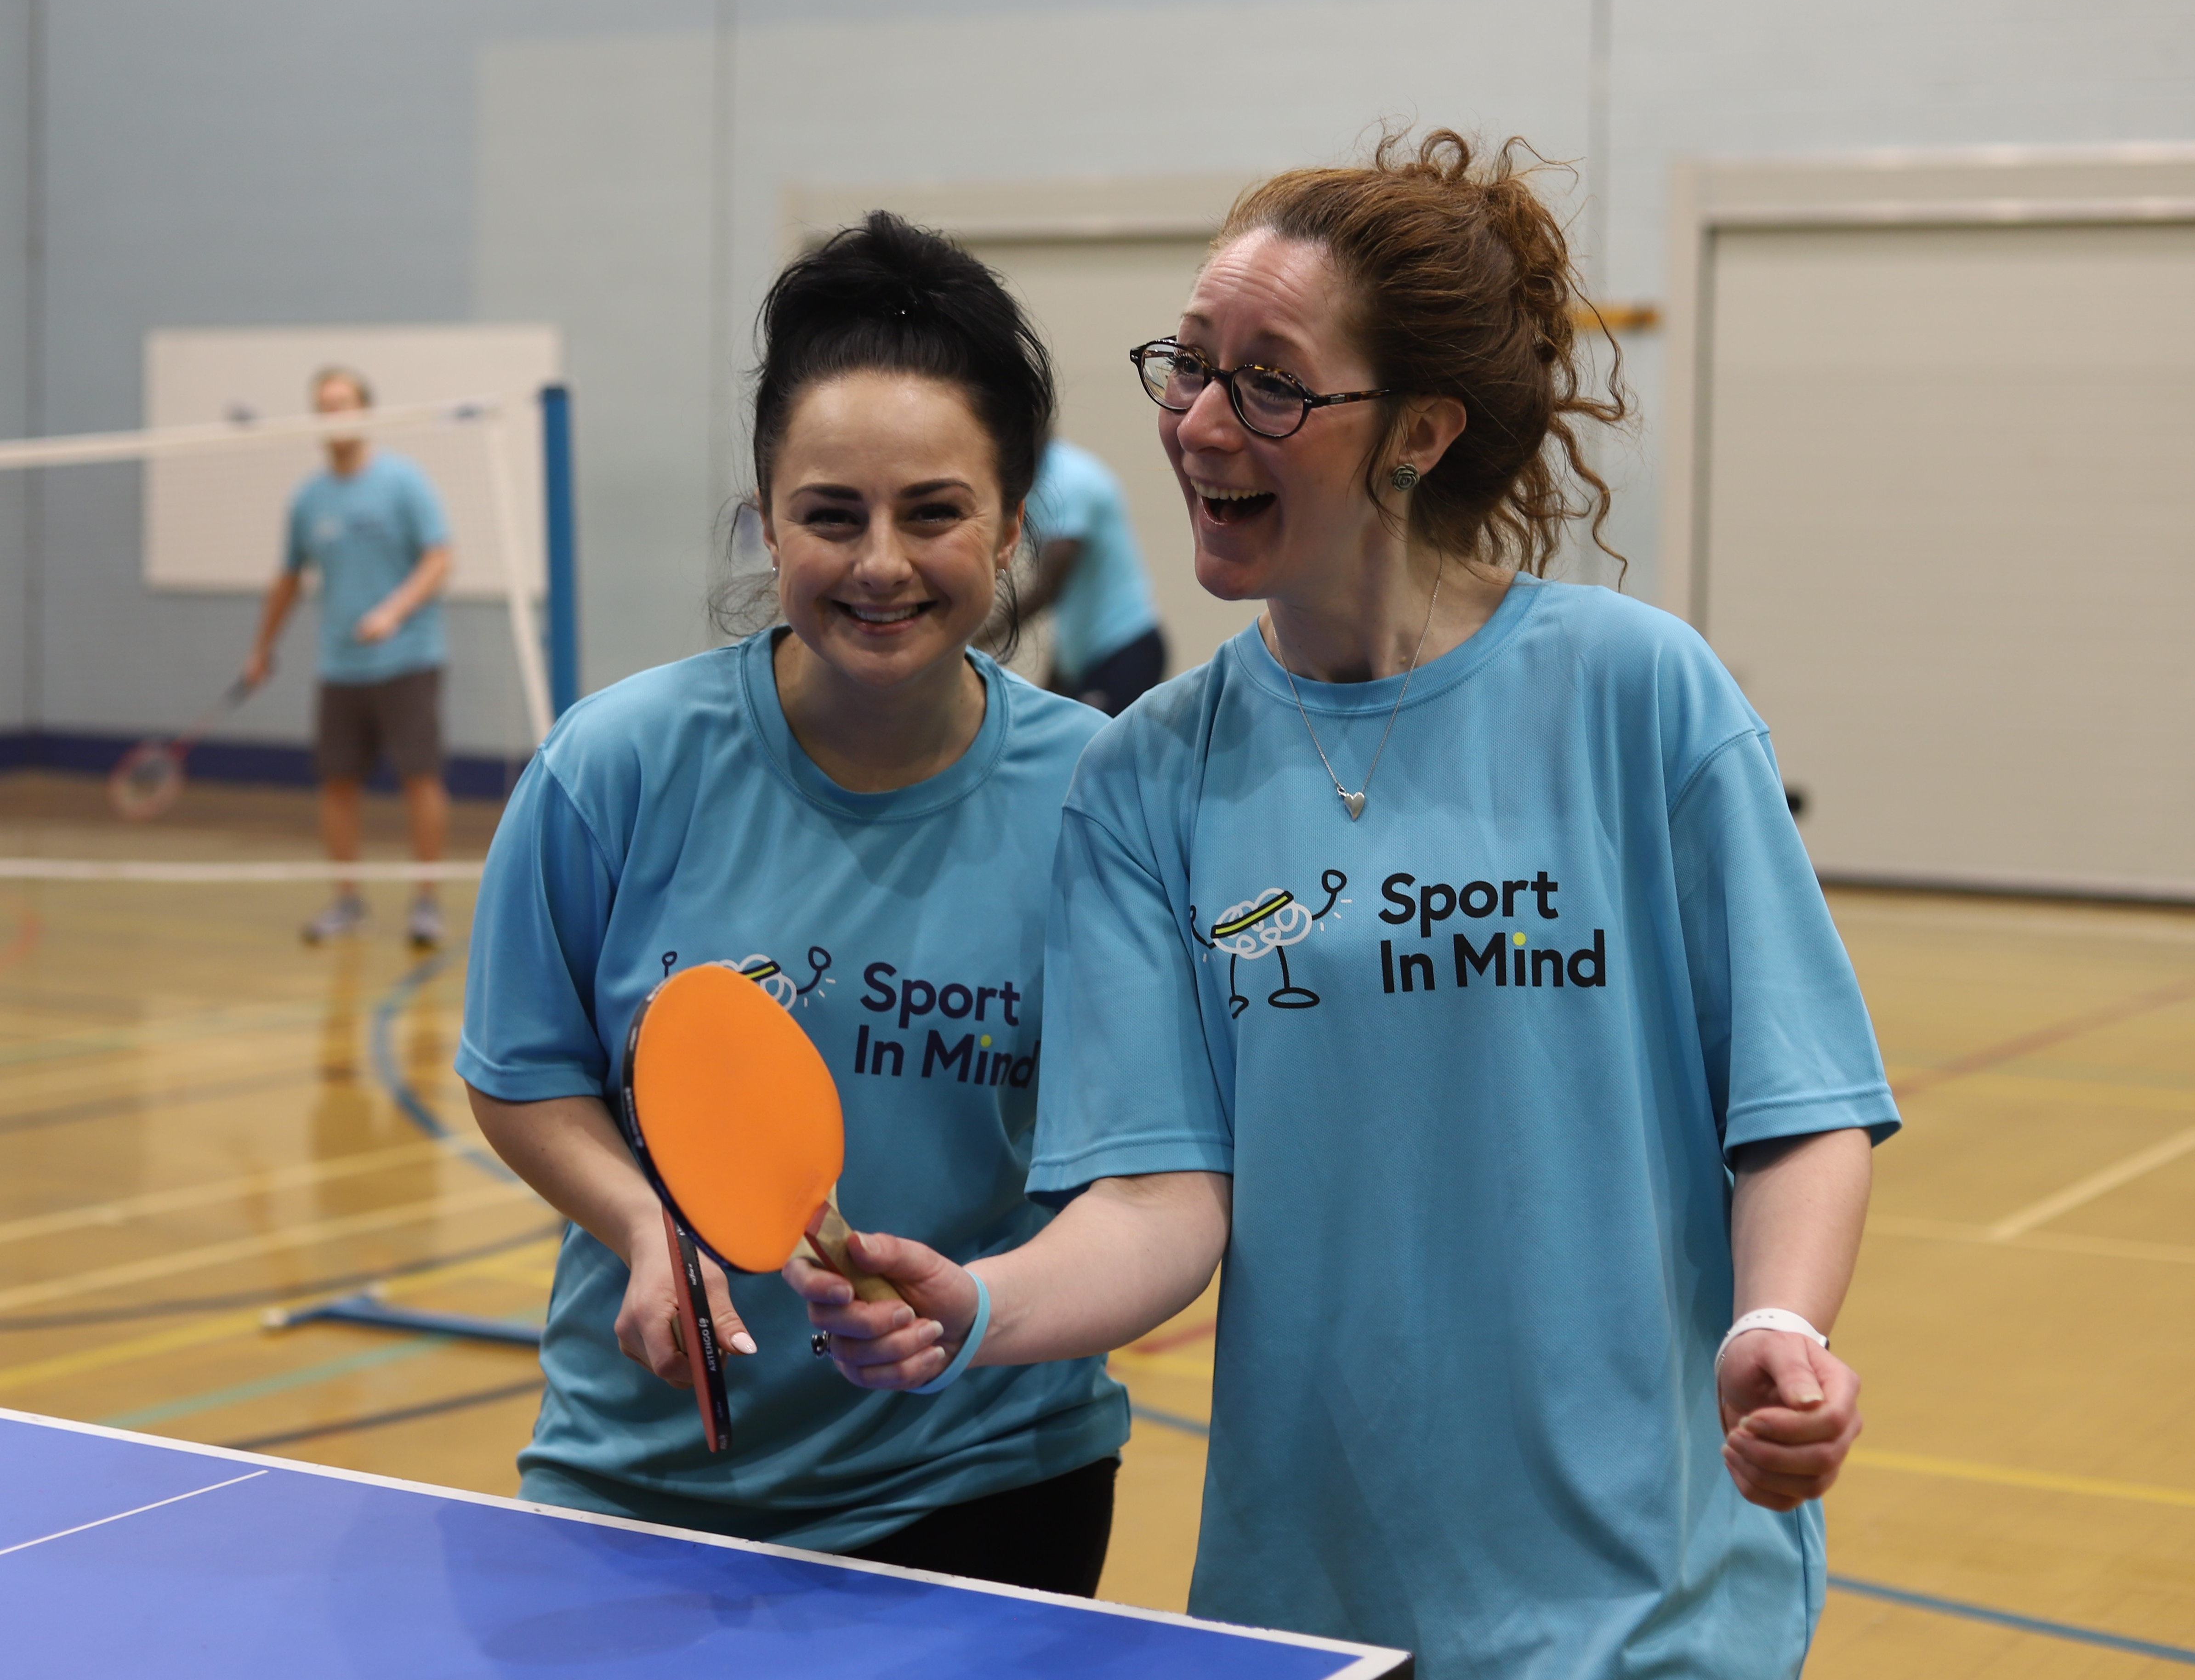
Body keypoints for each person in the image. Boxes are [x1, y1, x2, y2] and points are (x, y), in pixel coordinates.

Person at [789, 134, 1901, 1679]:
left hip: (1651, 1598)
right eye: (1187, 364)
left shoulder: (1638, 695)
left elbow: (1795, 1105)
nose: (1194, 420)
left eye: (1266, 380)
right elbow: (1158, 1199)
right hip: (1307, 1597)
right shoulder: (1147, 778)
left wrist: (1772, 1326)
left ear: (1416, 433)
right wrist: (974, 1302)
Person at [452, 213, 1128, 1593]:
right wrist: (643, 1221)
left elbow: (1143, 1168)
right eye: (832, 513)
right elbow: (523, 1075)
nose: (880, 560)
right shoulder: (615, 766)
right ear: (768, 522)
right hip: (643, 1473)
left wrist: (985, 1307)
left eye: (934, 509)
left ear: (1010, 524)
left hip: (985, 1477)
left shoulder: (1101, 797)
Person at [242, 365, 454, 948]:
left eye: (343, 403)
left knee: (420, 779)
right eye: (324, 405)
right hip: (339, 666)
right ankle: (346, 903)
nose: (334, 414)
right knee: (337, 784)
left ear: (366, 411)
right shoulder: (308, 500)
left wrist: (392, 612)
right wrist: (262, 649)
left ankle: (427, 904)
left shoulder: (403, 483)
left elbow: (439, 559)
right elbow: (287, 577)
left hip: (409, 658)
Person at [1015, 438, 1165, 715]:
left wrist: (979, 637)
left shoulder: (1069, 479)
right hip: (1083, 658)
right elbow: (1070, 601)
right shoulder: (1030, 484)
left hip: (1124, 649)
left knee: (1101, 754)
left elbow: (1050, 585)